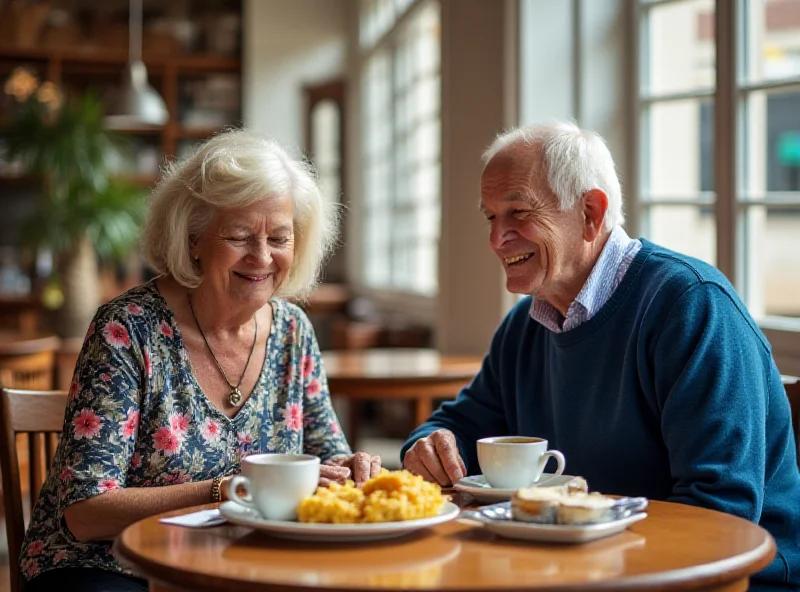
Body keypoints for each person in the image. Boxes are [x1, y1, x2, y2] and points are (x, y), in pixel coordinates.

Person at [401, 122, 800, 589]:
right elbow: (460, 427)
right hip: (576, 571)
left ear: (590, 212)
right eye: (490, 217)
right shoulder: (525, 325)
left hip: (728, 579)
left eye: (518, 213)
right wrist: (429, 446)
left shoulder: (691, 306)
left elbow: (717, 511)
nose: (496, 239)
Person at [22, 130, 381, 592]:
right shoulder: (128, 328)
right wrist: (226, 490)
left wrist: (352, 469)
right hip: (109, 565)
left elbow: (327, 456)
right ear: (192, 239)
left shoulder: (293, 331)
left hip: (247, 561)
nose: (262, 256)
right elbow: (86, 513)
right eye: (239, 235)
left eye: (279, 237)